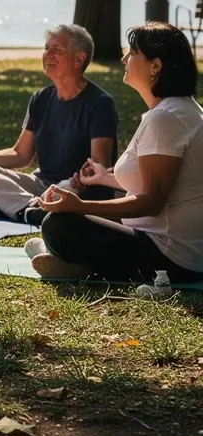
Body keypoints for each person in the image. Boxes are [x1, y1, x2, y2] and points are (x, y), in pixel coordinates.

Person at [32, 23, 203, 283]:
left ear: (155, 66)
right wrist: (105, 177)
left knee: (57, 225)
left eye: (132, 52)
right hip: (171, 248)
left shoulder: (166, 119)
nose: (123, 58)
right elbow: (160, 181)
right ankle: (73, 263)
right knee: (60, 222)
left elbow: (152, 201)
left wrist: (80, 206)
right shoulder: (177, 111)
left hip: (168, 258)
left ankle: (74, 264)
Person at [0, 24, 118, 226]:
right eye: (46, 48)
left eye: (56, 49)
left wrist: (78, 182)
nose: (47, 54)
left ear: (78, 59)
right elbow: (20, 154)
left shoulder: (100, 103)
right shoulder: (40, 98)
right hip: (41, 186)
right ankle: (30, 209)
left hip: (75, 190)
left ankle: (12, 207)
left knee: (54, 195)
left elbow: (99, 165)